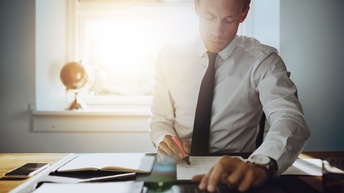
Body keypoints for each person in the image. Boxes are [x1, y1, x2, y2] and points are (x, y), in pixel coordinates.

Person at [149, 0, 310, 192]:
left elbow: (290, 118)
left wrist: (261, 165)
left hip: (238, 173)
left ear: (243, 14)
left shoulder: (264, 61)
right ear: (197, 7)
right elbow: (161, 119)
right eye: (209, 17)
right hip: (177, 171)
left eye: (229, 19)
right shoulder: (169, 56)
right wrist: (164, 139)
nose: (217, 31)